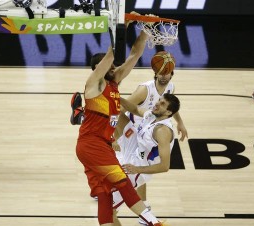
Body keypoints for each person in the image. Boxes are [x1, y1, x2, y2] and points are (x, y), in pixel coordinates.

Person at [75, 12, 170, 226]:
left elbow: (134, 55)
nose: (112, 68)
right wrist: (121, 27)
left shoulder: (113, 82)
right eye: (107, 67)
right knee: (122, 182)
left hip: (102, 143)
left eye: (112, 67)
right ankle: (153, 222)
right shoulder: (94, 84)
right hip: (92, 143)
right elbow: (111, 56)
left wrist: (146, 29)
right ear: (98, 69)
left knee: (104, 193)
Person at [119, 53, 188, 221]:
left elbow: (172, 108)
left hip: (147, 137)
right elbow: (131, 109)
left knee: (132, 174)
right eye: (162, 72)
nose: (164, 75)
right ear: (155, 72)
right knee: (112, 156)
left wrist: (180, 122)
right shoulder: (145, 90)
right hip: (141, 126)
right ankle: (145, 211)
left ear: (172, 74)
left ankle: (146, 214)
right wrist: (114, 96)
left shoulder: (163, 127)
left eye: (168, 73)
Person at [111, 93, 180, 226]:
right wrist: (117, 97)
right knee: (116, 112)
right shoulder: (153, 115)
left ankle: (149, 219)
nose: (157, 103)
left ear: (169, 112)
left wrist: (137, 169)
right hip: (135, 149)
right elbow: (135, 109)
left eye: (163, 104)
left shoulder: (162, 131)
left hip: (139, 168)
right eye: (160, 100)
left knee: (108, 211)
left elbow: (165, 166)